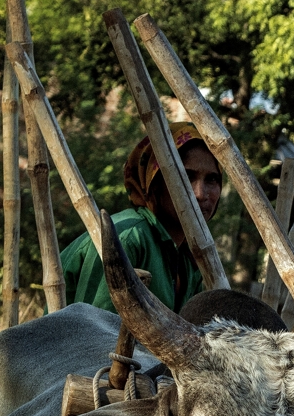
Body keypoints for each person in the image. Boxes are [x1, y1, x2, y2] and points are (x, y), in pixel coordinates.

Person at [60, 129, 224, 314]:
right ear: (154, 181)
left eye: (211, 179)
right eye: (186, 177)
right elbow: (94, 334)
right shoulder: (126, 238)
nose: (200, 194)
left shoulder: (190, 258)